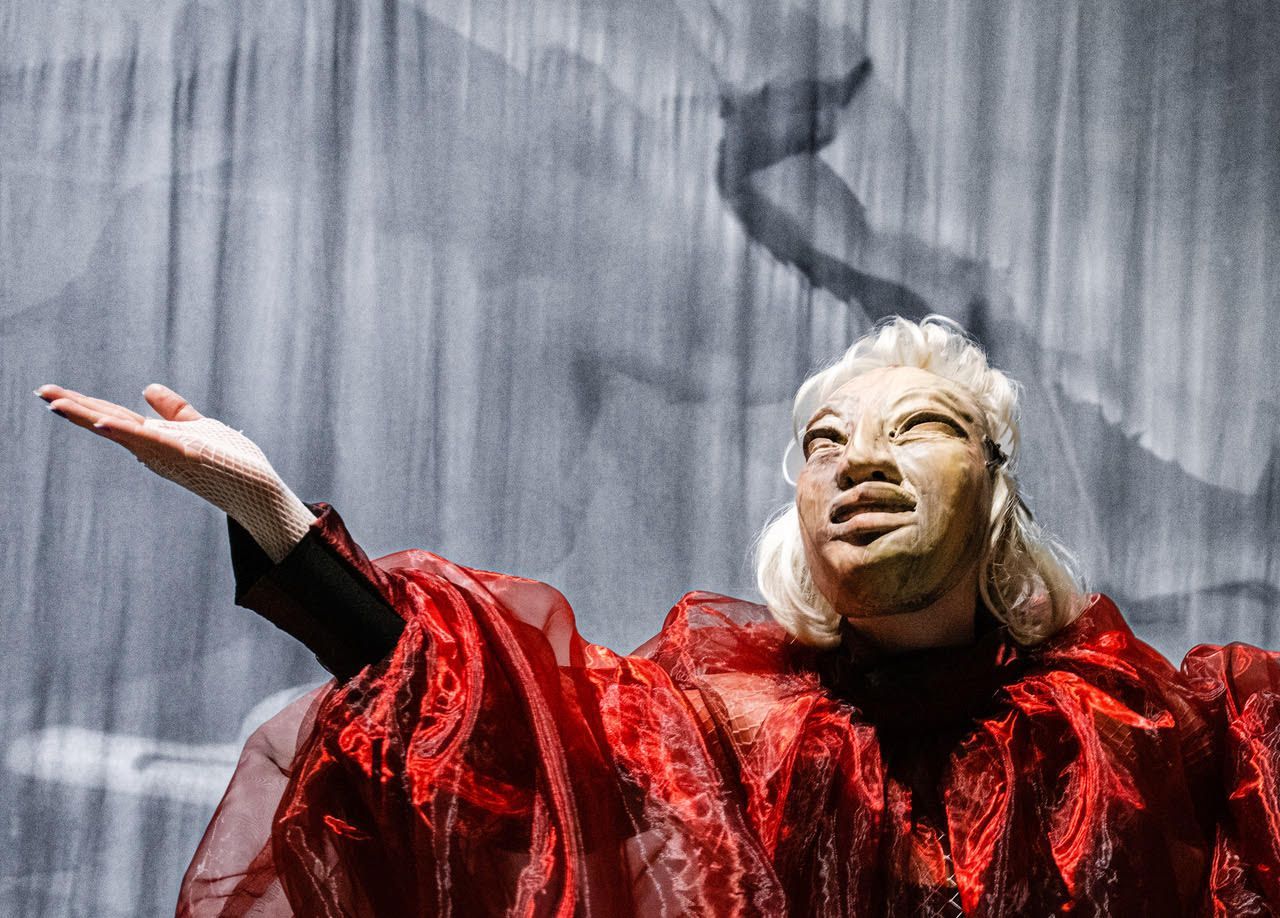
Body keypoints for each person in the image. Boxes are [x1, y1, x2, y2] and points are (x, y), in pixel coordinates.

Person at [36, 316, 1280, 916]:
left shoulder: (1135, 731)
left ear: (996, 487)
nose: (859, 459)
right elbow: (474, 715)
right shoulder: (719, 728)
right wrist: (274, 518)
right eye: (825, 441)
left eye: (919, 428)